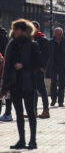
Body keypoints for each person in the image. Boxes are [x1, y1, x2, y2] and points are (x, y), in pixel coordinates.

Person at [1, 19, 43, 149]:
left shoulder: (32, 44)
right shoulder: (12, 44)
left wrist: (23, 66)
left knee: (30, 112)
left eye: (17, 29)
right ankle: (21, 140)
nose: (14, 31)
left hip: (28, 83)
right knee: (18, 113)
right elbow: (7, 65)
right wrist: (4, 85)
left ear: (24, 31)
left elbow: (39, 64)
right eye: (13, 29)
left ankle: (33, 141)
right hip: (14, 83)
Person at [47, 27, 65, 107]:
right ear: (55, 34)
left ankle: (61, 101)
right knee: (53, 82)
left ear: (62, 34)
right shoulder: (51, 42)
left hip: (63, 65)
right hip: (53, 65)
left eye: (60, 34)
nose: (58, 35)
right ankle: (53, 100)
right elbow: (47, 53)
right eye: (57, 34)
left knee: (62, 83)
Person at [31, 21, 50, 118]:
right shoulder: (30, 39)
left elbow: (46, 55)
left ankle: (46, 110)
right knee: (33, 90)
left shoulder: (43, 39)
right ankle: (33, 110)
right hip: (31, 68)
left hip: (39, 68)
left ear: (38, 28)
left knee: (41, 89)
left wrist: (43, 67)